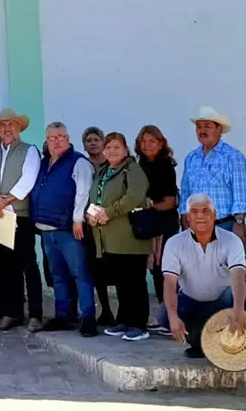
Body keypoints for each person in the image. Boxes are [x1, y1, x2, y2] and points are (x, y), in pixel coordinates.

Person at [162, 193, 246, 359]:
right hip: (192, 301)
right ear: (187, 218)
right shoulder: (175, 243)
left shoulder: (231, 240)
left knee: (242, 299)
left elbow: (238, 278)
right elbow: (170, 282)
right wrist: (172, 316)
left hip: (222, 301)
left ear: (214, 216)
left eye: (206, 211)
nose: (200, 216)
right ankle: (199, 343)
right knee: (164, 314)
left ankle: (244, 347)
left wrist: (239, 310)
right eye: (194, 211)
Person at [30, 122, 97, 337]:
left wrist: (78, 219)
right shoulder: (43, 163)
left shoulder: (78, 162)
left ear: (68, 138)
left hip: (69, 229)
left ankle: (88, 318)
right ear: (47, 140)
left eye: (61, 136)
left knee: (80, 274)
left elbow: (83, 192)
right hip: (46, 229)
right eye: (52, 137)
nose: (57, 141)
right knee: (57, 276)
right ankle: (63, 316)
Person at [86, 131, 152, 341]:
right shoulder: (104, 171)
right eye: (109, 147)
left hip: (129, 238)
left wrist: (109, 212)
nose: (112, 151)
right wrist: (91, 216)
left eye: (116, 147)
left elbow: (134, 196)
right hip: (109, 240)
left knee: (135, 282)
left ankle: (139, 324)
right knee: (122, 283)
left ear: (125, 149)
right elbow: (95, 197)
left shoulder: (132, 169)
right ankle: (123, 320)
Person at [0, 108, 42, 331]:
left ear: (19, 128)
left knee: (28, 265)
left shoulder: (29, 151)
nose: (7, 129)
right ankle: (12, 312)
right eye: (3, 125)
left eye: (11, 125)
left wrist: (6, 199)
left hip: (19, 217)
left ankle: (36, 314)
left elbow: (29, 179)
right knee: (5, 267)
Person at [179, 107, 246, 239]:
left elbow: (241, 195)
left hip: (224, 226)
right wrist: (185, 224)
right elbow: (185, 194)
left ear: (219, 130)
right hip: (195, 227)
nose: (202, 131)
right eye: (199, 127)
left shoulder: (233, 156)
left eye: (207, 126)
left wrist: (239, 223)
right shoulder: (191, 158)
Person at [134, 125, 179, 332]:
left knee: (164, 270)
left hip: (163, 225)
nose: (147, 145)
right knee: (153, 269)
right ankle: (163, 317)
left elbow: (170, 202)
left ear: (161, 143)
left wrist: (149, 205)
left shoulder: (165, 166)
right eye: (143, 141)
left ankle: (172, 318)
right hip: (147, 226)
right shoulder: (139, 165)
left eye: (151, 141)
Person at [77, 126, 115, 327]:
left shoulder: (112, 165)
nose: (92, 143)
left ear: (103, 143)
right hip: (89, 224)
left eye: (96, 140)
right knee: (96, 269)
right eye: (89, 140)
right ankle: (105, 310)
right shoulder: (81, 165)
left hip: (111, 222)